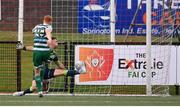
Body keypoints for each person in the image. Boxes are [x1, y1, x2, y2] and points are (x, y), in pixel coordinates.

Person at [14, 37, 86, 96]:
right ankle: (22, 93)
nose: (57, 42)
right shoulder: (43, 48)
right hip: (38, 72)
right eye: (56, 41)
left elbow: (59, 64)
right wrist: (23, 47)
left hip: (46, 71)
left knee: (63, 72)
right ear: (51, 42)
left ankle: (80, 71)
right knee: (33, 88)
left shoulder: (53, 54)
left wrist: (67, 71)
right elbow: (32, 48)